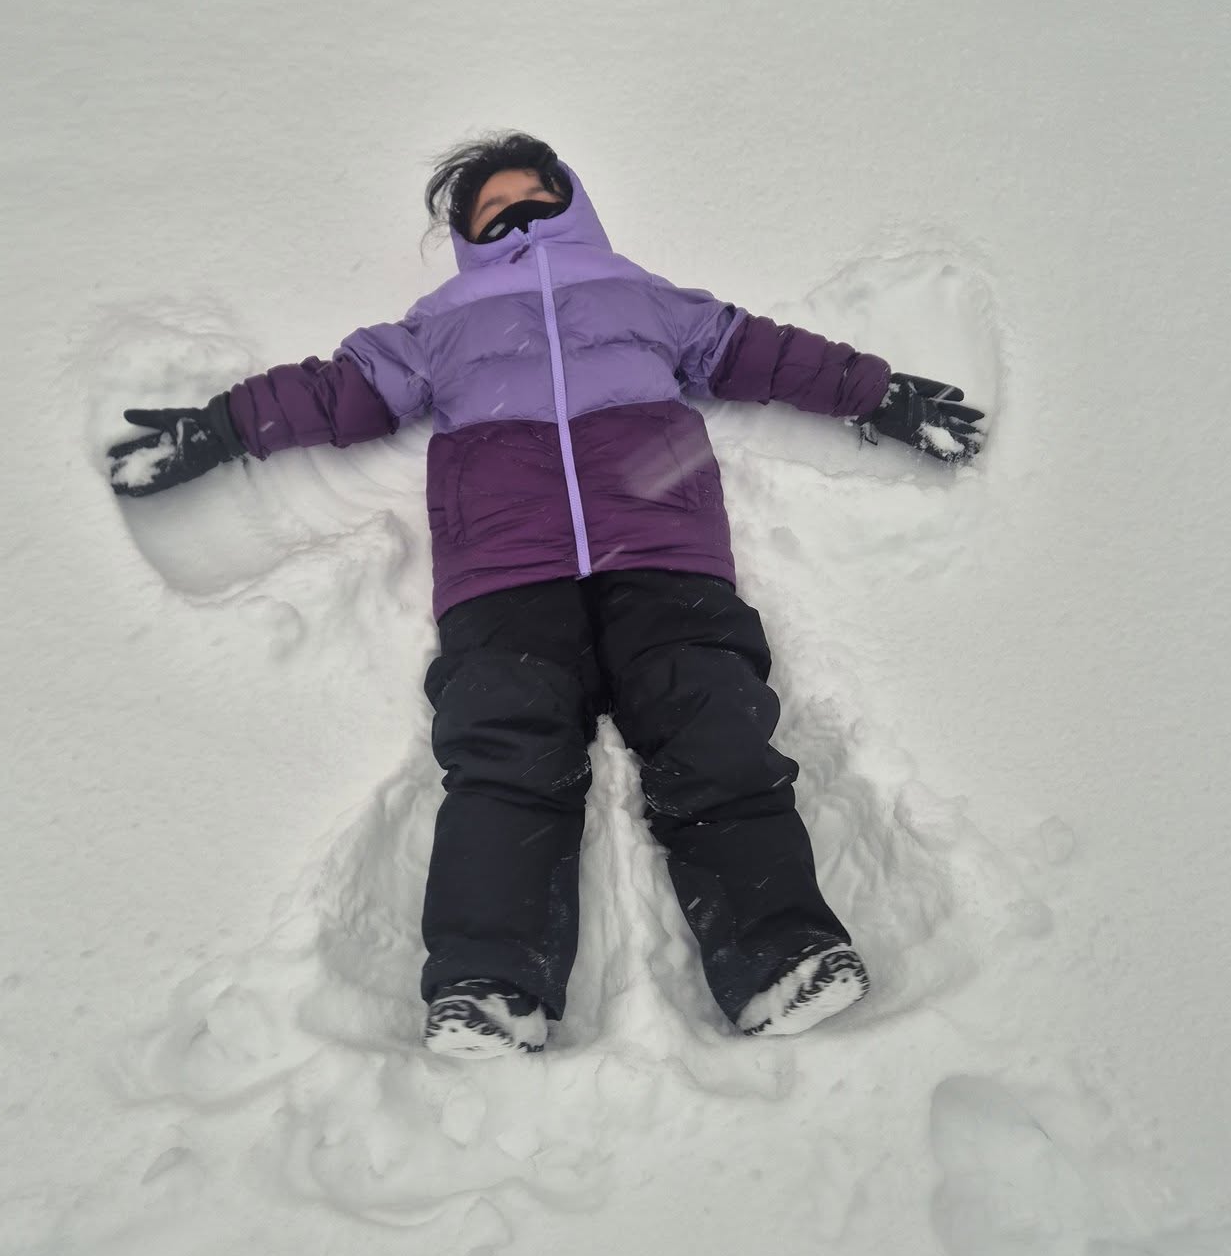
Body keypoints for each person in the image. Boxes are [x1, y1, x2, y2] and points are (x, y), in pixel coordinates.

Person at [108, 133, 984, 1058]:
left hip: (664, 552)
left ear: (574, 204)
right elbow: (339, 391)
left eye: (536, 197)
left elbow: (762, 352)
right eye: (494, 210)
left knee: (714, 729)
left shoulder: (643, 295)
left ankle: (783, 954)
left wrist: (877, 394)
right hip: (505, 573)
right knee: (503, 751)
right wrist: (220, 427)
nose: (519, 217)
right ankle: (492, 986)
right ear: (468, 236)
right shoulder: (439, 324)